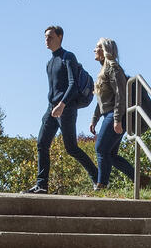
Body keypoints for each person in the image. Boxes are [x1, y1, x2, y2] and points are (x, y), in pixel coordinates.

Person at [26, 26, 99, 193]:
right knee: (42, 143)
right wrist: (53, 105)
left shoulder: (68, 57)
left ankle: (97, 177)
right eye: (45, 37)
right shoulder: (49, 63)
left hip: (66, 108)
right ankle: (42, 185)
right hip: (51, 108)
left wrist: (62, 104)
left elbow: (73, 85)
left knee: (71, 148)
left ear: (60, 37)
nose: (47, 40)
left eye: (50, 37)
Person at [89, 37, 135, 189]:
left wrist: (117, 119)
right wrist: (94, 119)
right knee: (111, 155)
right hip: (108, 115)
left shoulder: (113, 68)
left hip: (116, 115)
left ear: (105, 50)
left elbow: (121, 95)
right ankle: (139, 179)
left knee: (101, 148)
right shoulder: (103, 70)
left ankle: (101, 184)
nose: (94, 50)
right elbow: (101, 99)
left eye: (97, 47)